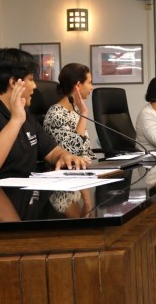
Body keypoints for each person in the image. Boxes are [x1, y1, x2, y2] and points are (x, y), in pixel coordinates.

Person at [0, 48, 90, 223]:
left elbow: (51, 151)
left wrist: (65, 156)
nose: (35, 86)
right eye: (31, 80)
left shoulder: (26, 117)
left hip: (26, 203)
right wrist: (15, 121)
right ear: (13, 82)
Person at [43, 63, 95, 218]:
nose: (92, 87)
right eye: (90, 82)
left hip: (83, 175)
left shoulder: (74, 111)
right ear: (78, 85)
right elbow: (72, 154)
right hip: (64, 185)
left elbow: (85, 150)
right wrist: (84, 112)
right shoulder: (56, 114)